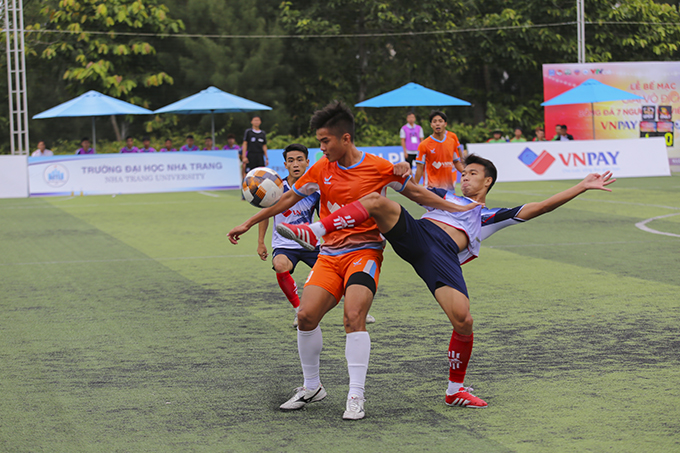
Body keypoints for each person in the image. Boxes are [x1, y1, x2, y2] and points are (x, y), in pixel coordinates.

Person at [278, 153, 616, 409]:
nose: (465, 178)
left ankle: (455, 390)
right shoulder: (442, 194)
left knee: (463, 319)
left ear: (487, 183)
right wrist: (399, 167)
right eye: (464, 173)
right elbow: (403, 184)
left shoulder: (487, 216)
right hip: (417, 234)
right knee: (380, 202)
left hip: (439, 259)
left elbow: (540, 207)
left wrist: (582, 186)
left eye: (472, 174)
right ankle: (320, 232)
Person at [227, 101, 478, 420]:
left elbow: (416, 194)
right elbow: (288, 197)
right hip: (329, 255)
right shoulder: (321, 168)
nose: (320, 147)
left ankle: (356, 396)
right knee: (305, 317)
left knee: (353, 315)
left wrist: (458, 209)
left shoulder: (378, 167)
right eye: (318, 141)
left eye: (324, 141)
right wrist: (248, 224)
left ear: (345, 138)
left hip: (365, 253)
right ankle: (312, 387)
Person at [414, 110, 464, 191]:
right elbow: (420, 167)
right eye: (434, 121)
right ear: (431, 125)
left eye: (440, 121)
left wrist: (466, 173)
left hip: (449, 188)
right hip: (431, 188)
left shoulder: (452, 142)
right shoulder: (424, 144)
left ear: (445, 124)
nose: (437, 123)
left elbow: (456, 162)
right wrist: (415, 186)